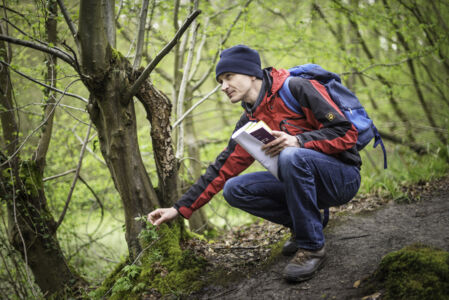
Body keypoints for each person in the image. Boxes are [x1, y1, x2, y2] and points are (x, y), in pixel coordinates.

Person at [147, 45, 361, 282]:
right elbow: (221, 170)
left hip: (342, 178)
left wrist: (299, 140)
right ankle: (307, 226)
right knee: (234, 189)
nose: (223, 86)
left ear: (251, 74)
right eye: (220, 81)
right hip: (303, 185)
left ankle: (312, 248)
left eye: (229, 77)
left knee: (291, 155)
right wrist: (178, 209)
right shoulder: (249, 121)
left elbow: (346, 132)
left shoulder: (297, 88)